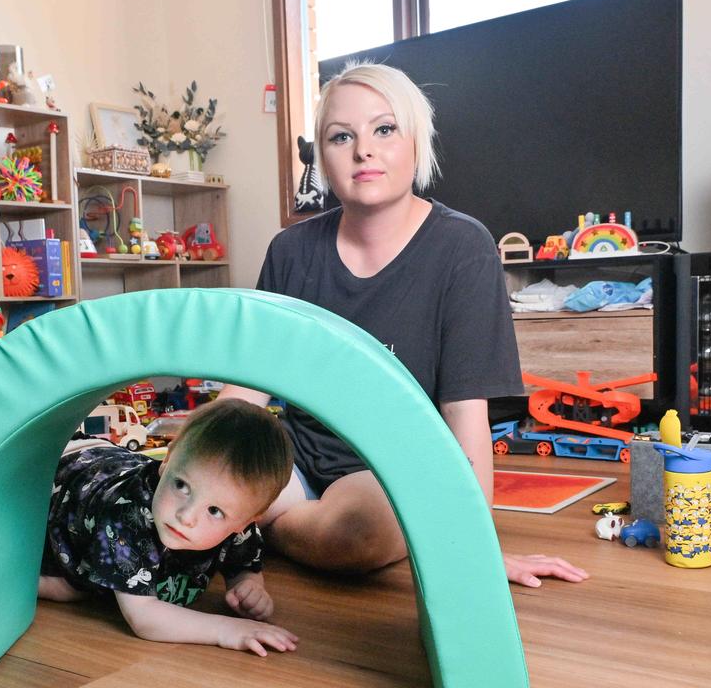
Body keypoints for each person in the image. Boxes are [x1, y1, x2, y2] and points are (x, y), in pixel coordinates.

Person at [219, 62, 589, 588]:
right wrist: (202, 468)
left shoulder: (464, 248)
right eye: (340, 136)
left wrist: (472, 551)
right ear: (322, 157)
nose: (363, 150)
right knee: (175, 490)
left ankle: (254, 533)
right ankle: (248, 521)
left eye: (384, 129)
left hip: (381, 472)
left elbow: (466, 416)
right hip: (290, 458)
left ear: (417, 140)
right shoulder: (291, 249)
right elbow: (245, 392)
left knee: (360, 535)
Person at [38, 398, 300, 657]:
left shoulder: (240, 529)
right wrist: (226, 629)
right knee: (67, 587)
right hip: (63, 465)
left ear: (245, 521)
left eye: (214, 511)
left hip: (107, 470)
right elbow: (144, 618)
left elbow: (244, 565)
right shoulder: (127, 516)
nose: (186, 516)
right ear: (168, 460)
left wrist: (248, 585)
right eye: (182, 486)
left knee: (90, 589)